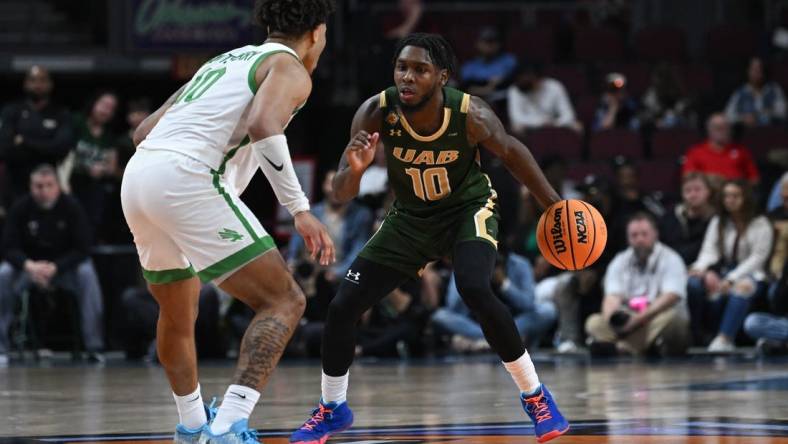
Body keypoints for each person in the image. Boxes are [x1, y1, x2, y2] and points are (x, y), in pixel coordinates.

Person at [290, 33, 569, 444]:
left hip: (466, 211)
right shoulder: (375, 112)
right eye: (402, 67)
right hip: (409, 218)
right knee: (343, 305)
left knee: (474, 287)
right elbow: (340, 194)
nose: (407, 77)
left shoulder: (470, 115)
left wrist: (555, 208)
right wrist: (356, 168)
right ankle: (333, 408)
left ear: (442, 77)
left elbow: (512, 154)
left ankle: (536, 396)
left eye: (420, 70)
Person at [120, 1, 336, 442]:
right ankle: (227, 428)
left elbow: (142, 132)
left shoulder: (222, 61)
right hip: (188, 177)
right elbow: (263, 125)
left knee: (178, 314)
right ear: (317, 32)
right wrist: (299, 209)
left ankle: (193, 428)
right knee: (285, 301)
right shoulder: (290, 68)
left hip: (139, 176)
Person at [0, 165, 104, 365]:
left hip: (63, 269)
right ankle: (1, 348)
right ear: (31, 187)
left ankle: (94, 347)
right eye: (39, 186)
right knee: (3, 274)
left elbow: (83, 247)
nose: (44, 191)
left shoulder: (71, 207)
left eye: (49, 185)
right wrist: (29, 265)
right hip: (28, 269)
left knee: (87, 273)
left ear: (58, 186)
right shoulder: (20, 208)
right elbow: (8, 247)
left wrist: (56, 267)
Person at [585, 213, 690, 357]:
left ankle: (622, 348)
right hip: (629, 321)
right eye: (634, 235)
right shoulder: (620, 260)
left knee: (673, 319)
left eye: (644, 234)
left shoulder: (671, 259)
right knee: (594, 322)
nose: (639, 239)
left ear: (655, 234)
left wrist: (638, 320)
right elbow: (612, 296)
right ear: (628, 238)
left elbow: (670, 297)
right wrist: (614, 320)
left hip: (656, 318)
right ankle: (638, 347)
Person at [687, 180, 773, 352]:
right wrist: (700, 268)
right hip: (727, 270)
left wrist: (732, 279)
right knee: (697, 284)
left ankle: (725, 338)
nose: (730, 200)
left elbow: (758, 257)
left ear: (745, 198)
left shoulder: (760, 223)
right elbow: (710, 250)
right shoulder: (719, 221)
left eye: (735, 196)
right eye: (726, 196)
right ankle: (698, 337)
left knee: (742, 287)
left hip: (755, 273)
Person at [432, 251, 557, 351]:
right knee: (440, 316)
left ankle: (487, 340)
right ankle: (499, 340)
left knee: (548, 310)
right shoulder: (469, 264)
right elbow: (452, 307)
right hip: (478, 322)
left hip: (513, 320)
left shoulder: (520, 264)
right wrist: (470, 279)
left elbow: (529, 304)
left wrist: (505, 284)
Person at [0, 66, 74, 205]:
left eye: (42, 80)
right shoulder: (11, 111)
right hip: (15, 186)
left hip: (49, 187)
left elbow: (62, 149)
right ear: (25, 83)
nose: (38, 85)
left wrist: (24, 142)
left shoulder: (61, 113)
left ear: (50, 84)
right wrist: (46, 146)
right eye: (33, 80)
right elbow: (5, 149)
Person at [682, 113, 759, 188]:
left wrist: (738, 187)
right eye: (717, 127)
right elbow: (687, 176)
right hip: (708, 195)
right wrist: (709, 178)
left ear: (730, 130)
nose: (721, 131)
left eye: (724, 127)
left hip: (735, 195)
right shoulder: (696, 152)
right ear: (708, 129)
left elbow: (754, 179)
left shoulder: (741, 151)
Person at [506, 62, 582, 136]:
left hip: (554, 124)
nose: (526, 82)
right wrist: (540, 123)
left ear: (540, 79)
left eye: (530, 80)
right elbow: (516, 117)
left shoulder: (554, 86)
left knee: (577, 126)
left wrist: (554, 123)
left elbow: (569, 115)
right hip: (530, 126)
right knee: (516, 128)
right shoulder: (515, 90)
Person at [659, 173, 716, 265]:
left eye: (697, 190)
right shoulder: (670, 217)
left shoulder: (716, 219)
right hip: (672, 266)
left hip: (703, 269)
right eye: (687, 190)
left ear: (708, 192)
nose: (693, 195)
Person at [725, 57, 786, 128]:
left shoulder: (774, 89)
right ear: (748, 71)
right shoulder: (740, 93)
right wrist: (743, 118)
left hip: (772, 131)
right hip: (748, 132)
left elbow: (782, 112)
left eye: (759, 70)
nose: (757, 74)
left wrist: (765, 113)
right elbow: (728, 116)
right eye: (754, 70)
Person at [459, 27, 517, 99]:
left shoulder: (508, 60)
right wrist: (487, 88)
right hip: (476, 101)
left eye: (493, 42)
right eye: (486, 42)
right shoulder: (470, 66)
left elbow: (513, 82)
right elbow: (467, 87)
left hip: (503, 99)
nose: (490, 46)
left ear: (499, 44)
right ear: (478, 44)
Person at [640, 63, 695, 130]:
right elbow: (649, 109)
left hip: (675, 121)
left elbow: (681, 107)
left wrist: (674, 112)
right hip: (655, 121)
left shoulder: (677, 91)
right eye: (657, 77)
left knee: (671, 118)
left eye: (662, 77)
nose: (657, 81)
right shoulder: (652, 92)